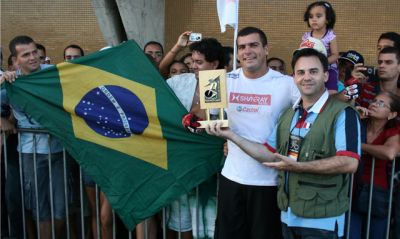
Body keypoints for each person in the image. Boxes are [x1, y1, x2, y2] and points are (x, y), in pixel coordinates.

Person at [206, 47, 361, 239]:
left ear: (325, 75)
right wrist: (231, 136)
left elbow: (349, 162)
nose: (306, 77)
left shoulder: (343, 113)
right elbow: (268, 153)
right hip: (289, 217)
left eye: (313, 71)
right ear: (293, 77)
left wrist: (299, 167)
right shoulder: (289, 115)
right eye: (300, 72)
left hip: (322, 220)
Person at [211, 26, 300, 239]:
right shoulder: (222, 80)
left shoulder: (287, 84)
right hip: (231, 178)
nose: (247, 51)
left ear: (266, 49)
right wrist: (215, 126)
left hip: (268, 182)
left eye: (253, 45)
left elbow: (308, 120)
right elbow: (210, 116)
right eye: (241, 47)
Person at [1, 35, 72, 238]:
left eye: (34, 52)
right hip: (30, 154)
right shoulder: (10, 82)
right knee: (41, 209)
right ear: (15, 60)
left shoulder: (52, 73)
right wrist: (1, 120)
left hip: (60, 149)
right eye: (26, 55)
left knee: (61, 208)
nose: (33, 57)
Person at [166, 37, 225, 239]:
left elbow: (210, 121)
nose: (193, 67)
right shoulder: (182, 81)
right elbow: (154, 77)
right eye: (192, 62)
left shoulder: (219, 84)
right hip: (181, 165)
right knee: (181, 222)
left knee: (208, 224)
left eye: (199, 63)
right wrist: (176, 48)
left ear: (215, 64)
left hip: (209, 167)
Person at [350, 91, 400, 239]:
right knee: (351, 234)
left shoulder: (393, 130)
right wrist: (354, 116)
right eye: (374, 100)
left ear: (391, 114)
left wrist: (359, 146)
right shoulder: (359, 123)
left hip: (377, 193)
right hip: (353, 189)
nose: (374, 104)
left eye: (381, 103)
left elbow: (389, 152)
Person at [302, 1, 339, 94]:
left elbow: (335, 55)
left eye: (318, 16)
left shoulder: (330, 35)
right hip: (310, 67)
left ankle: (329, 99)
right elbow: (301, 53)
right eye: (311, 17)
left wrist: (323, 62)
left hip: (328, 67)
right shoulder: (307, 36)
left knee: (332, 84)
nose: (314, 19)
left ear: (327, 19)